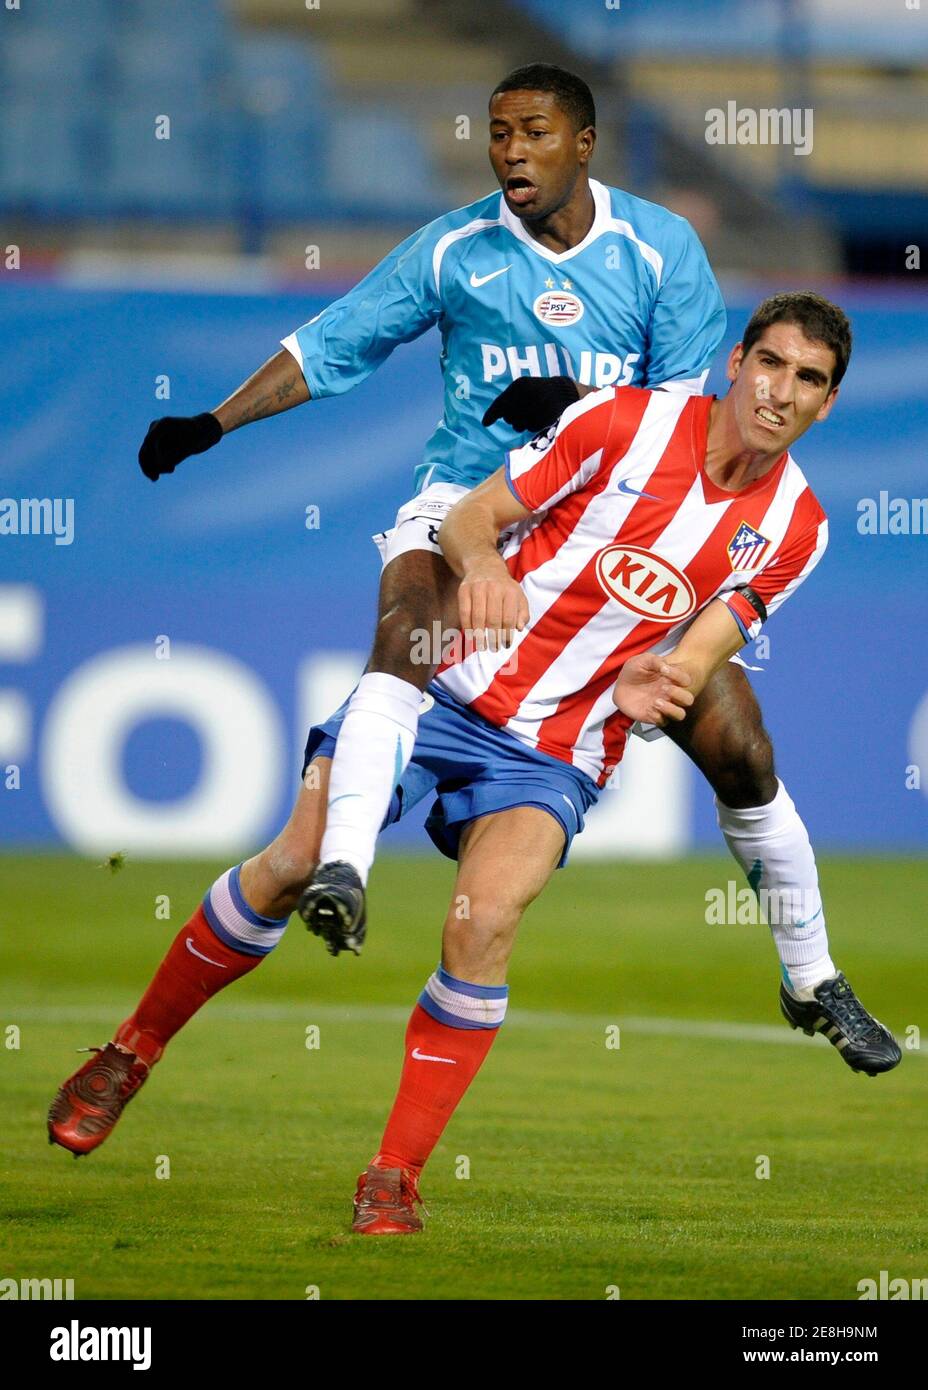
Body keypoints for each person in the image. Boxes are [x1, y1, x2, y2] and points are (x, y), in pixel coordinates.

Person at [51, 294, 900, 1237]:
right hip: (445, 689)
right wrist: (485, 568)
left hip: (556, 747)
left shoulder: (797, 528)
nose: (780, 393)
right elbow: (469, 519)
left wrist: (652, 685)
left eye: (809, 381)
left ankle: (393, 1175)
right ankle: (130, 1052)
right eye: (771, 364)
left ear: (827, 404)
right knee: (293, 860)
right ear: (736, 360)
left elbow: (702, 651)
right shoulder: (620, 422)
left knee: (487, 920)